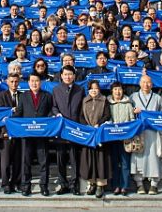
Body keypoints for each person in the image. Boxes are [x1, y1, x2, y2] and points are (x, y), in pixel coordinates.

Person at [15, 72, 53, 196]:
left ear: (40, 82)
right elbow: (19, 112)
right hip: (27, 135)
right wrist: (10, 121)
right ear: (28, 82)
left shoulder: (47, 95)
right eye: (32, 81)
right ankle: (26, 186)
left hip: (42, 134)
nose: (34, 83)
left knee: (44, 161)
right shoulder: (23, 96)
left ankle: (44, 186)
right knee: (25, 161)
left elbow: (50, 112)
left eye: (36, 81)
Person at [51, 65, 84, 195]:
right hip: (61, 129)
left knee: (74, 158)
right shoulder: (56, 89)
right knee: (61, 158)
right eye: (65, 74)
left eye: (70, 74)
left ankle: (74, 184)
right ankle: (62, 183)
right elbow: (53, 107)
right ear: (61, 75)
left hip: (75, 129)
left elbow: (82, 108)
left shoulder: (80, 89)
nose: (68, 77)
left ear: (74, 76)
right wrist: (57, 113)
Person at [130, 74, 162, 195]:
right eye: (144, 82)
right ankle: (139, 184)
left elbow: (160, 115)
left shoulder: (157, 98)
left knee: (154, 156)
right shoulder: (133, 97)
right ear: (139, 83)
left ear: (152, 84)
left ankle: (154, 184)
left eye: (148, 82)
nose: (146, 85)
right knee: (138, 156)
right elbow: (131, 114)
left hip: (153, 131)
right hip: (139, 132)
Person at [79, 79, 112, 198]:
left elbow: (107, 115)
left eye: (96, 88)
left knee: (101, 159)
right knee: (89, 159)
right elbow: (81, 116)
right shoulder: (84, 100)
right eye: (92, 88)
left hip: (100, 134)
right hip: (88, 135)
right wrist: (86, 126)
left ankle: (100, 185)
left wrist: (98, 123)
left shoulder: (104, 100)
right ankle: (91, 183)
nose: (94, 91)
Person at [107, 81, 135, 196]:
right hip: (112, 139)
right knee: (114, 162)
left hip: (125, 139)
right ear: (112, 92)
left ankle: (124, 186)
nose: (117, 92)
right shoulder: (108, 104)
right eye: (115, 90)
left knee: (125, 163)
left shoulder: (128, 104)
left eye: (119, 89)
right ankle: (115, 185)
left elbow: (132, 119)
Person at [0, 73, 22, 193]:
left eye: (16, 81)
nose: (14, 84)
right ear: (7, 82)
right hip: (6, 133)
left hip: (20, 133)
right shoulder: (1, 96)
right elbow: (1, 114)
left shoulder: (23, 96)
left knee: (18, 160)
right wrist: (5, 131)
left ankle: (16, 182)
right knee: (5, 161)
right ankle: (5, 184)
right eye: (11, 81)